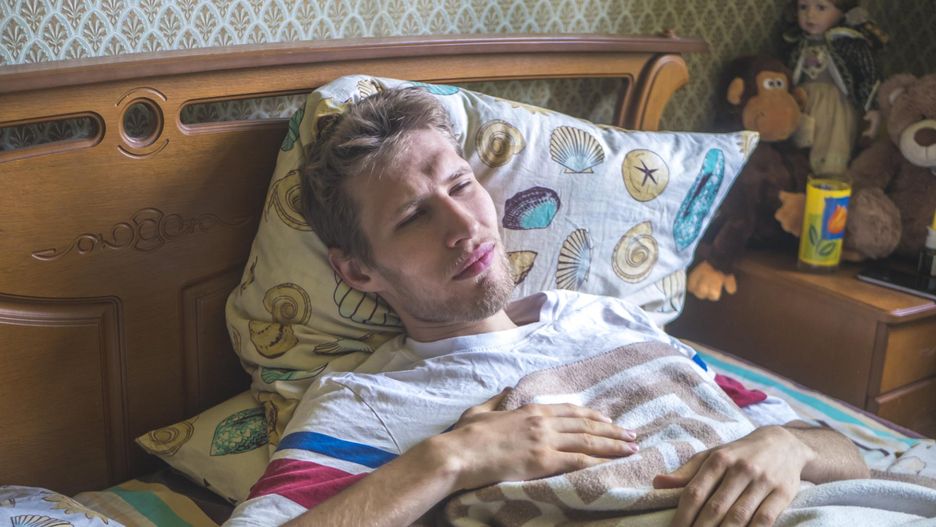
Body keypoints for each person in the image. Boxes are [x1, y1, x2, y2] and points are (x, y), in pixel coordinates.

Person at [226, 88, 869, 527]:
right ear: (357, 270)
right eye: (414, 216)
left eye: (461, 185)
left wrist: (786, 445)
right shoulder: (369, 402)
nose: (465, 227)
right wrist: (450, 459)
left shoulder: (612, 316)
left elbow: (849, 455)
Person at [783, 0, 886, 177]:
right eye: (803, 7)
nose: (810, 15)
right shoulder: (797, 42)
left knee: (831, 138)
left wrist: (872, 106)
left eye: (821, 7)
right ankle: (801, 174)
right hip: (803, 100)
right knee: (801, 139)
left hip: (835, 103)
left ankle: (828, 176)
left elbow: (868, 72)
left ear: (842, 11)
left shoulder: (847, 42)